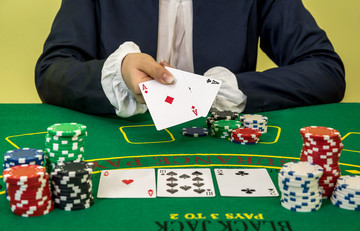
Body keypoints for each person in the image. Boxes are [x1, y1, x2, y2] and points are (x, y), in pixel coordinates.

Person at [35, 0, 345, 118]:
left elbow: (325, 70)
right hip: (123, 140)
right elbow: (52, 70)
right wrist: (119, 72)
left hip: (227, 148)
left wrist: (228, 89)